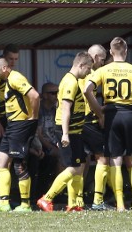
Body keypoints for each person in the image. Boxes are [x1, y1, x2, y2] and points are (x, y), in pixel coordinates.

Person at [84, 37, 132, 212]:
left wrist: (98, 110)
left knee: (115, 160)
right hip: (131, 114)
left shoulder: (104, 70)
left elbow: (87, 89)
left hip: (112, 115)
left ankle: (120, 204)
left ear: (110, 51)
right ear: (126, 51)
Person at [37, 52, 92, 212]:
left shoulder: (75, 80)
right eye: (88, 68)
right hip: (68, 131)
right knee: (73, 167)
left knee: (79, 166)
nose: (89, 72)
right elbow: (66, 109)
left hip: (76, 130)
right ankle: (46, 198)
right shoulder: (70, 82)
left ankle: (73, 203)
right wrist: (66, 134)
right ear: (80, 65)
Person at [0, 56, 40, 212]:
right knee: (1, 162)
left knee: (19, 164)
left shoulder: (15, 78)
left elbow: (35, 96)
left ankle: (25, 204)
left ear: (4, 68)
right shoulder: (6, 82)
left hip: (21, 125)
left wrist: (33, 117)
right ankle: (4, 202)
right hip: (12, 126)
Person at [81, 45, 110, 210]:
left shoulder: (77, 72)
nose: (103, 62)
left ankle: (77, 198)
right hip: (89, 120)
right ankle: (98, 200)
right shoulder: (93, 72)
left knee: (81, 160)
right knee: (102, 158)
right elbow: (88, 93)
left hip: (77, 120)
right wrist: (100, 114)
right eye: (102, 59)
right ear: (96, 57)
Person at [31, 82, 63, 205]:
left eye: (58, 92)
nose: (56, 96)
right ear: (44, 95)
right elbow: (38, 134)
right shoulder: (39, 110)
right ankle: (53, 194)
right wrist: (50, 147)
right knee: (59, 157)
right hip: (41, 145)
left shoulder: (58, 109)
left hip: (56, 143)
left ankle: (56, 192)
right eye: (53, 93)